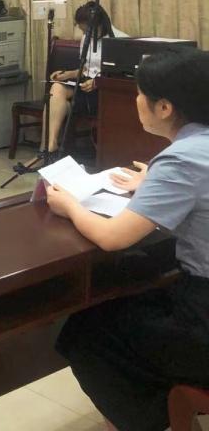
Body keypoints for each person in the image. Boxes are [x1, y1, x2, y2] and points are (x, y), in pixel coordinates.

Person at [47, 48, 209, 431]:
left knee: (87, 330)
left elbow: (113, 238)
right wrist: (152, 183)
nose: (136, 100)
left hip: (204, 318)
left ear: (164, 107)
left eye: (139, 93)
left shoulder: (182, 160)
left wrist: (70, 206)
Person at [44, 4, 128, 153]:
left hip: (104, 92)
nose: (85, 34)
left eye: (88, 30)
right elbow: (86, 69)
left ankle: (48, 148)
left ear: (100, 25)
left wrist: (97, 83)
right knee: (56, 88)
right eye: (83, 31)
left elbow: (122, 76)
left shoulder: (119, 40)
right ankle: (50, 145)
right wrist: (68, 74)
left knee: (59, 105)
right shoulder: (86, 38)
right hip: (85, 86)